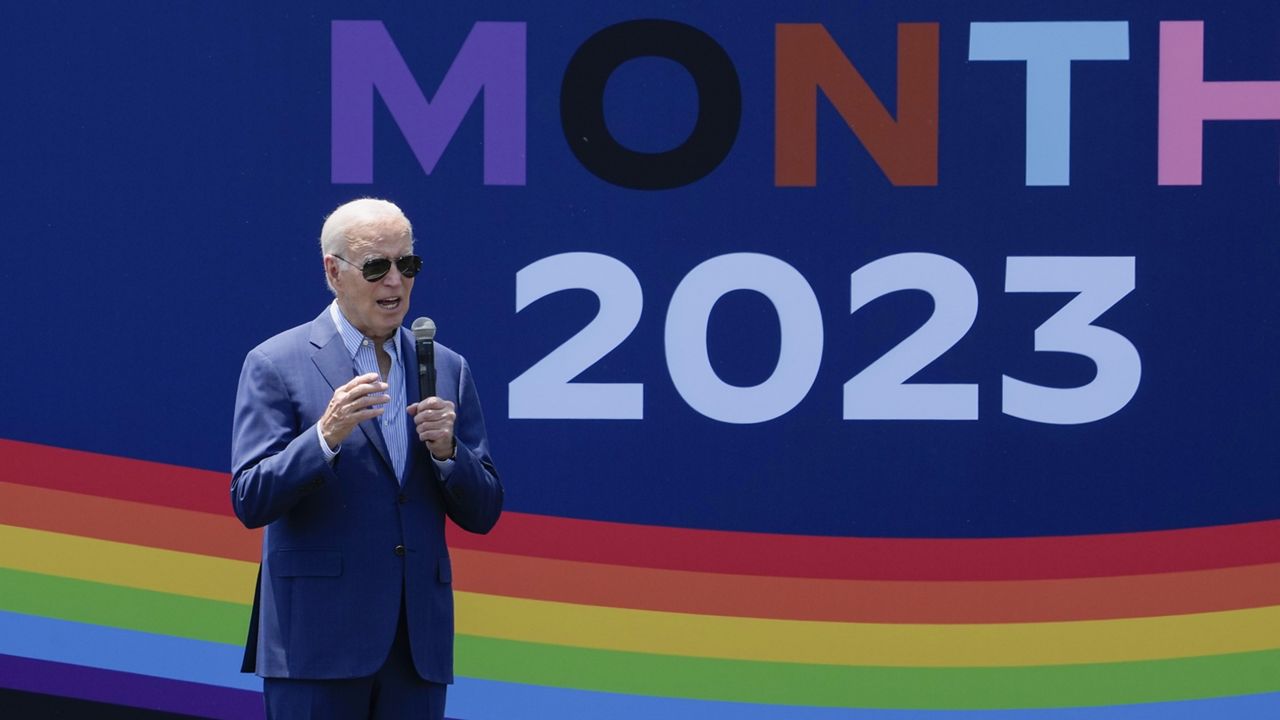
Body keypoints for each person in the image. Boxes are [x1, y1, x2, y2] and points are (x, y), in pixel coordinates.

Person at [230, 198, 503, 719]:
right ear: (333, 272)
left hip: (414, 649)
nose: (395, 283)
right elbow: (250, 498)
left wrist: (450, 454)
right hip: (314, 645)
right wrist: (324, 437)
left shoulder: (447, 368)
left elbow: (485, 511)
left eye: (408, 265)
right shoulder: (275, 363)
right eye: (377, 267)